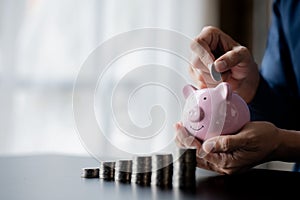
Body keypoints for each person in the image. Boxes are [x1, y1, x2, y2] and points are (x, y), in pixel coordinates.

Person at [175, 0, 300, 175]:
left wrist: (283, 143)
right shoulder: (288, 5)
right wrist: (251, 90)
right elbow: (287, 115)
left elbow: (281, 135)